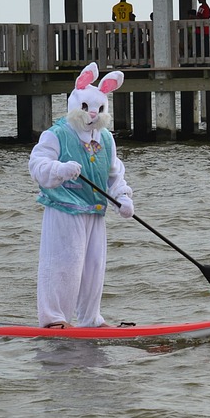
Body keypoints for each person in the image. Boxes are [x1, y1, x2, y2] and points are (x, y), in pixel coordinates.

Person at [28, 62, 134, 328]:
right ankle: (54, 320)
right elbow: (37, 165)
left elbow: (114, 174)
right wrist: (60, 169)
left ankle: (90, 320)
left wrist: (122, 197)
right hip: (64, 208)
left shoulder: (106, 139)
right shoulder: (57, 134)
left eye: (98, 110)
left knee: (93, 269)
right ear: (76, 105)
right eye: (86, 108)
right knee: (63, 265)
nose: (92, 115)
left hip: (95, 210)